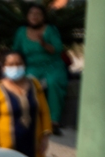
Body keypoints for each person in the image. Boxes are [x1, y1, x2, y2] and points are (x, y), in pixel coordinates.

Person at [0, 51, 53, 157]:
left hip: (33, 147)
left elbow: (44, 111)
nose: (15, 67)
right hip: (6, 149)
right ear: (4, 68)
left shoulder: (34, 85)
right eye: (10, 64)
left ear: (24, 65)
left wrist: (45, 137)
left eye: (18, 63)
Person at [13, 3, 68, 134]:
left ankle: (53, 121)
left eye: (38, 14)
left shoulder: (51, 30)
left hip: (52, 66)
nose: (34, 16)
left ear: (43, 17)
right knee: (28, 83)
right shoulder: (21, 32)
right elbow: (16, 51)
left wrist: (44, 44)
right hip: (32, 67)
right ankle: (29, 118)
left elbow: (57, 49)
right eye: (31, 14)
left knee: (53, 82)